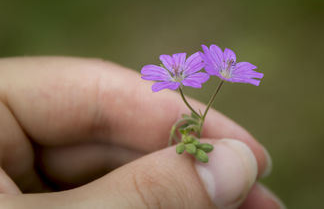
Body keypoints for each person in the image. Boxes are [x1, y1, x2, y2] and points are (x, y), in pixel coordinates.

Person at [0, 57, 284, 208]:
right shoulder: (171, 82)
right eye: (173, 71)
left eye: (179, 71)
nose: (176, 73)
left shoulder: (210, 71)